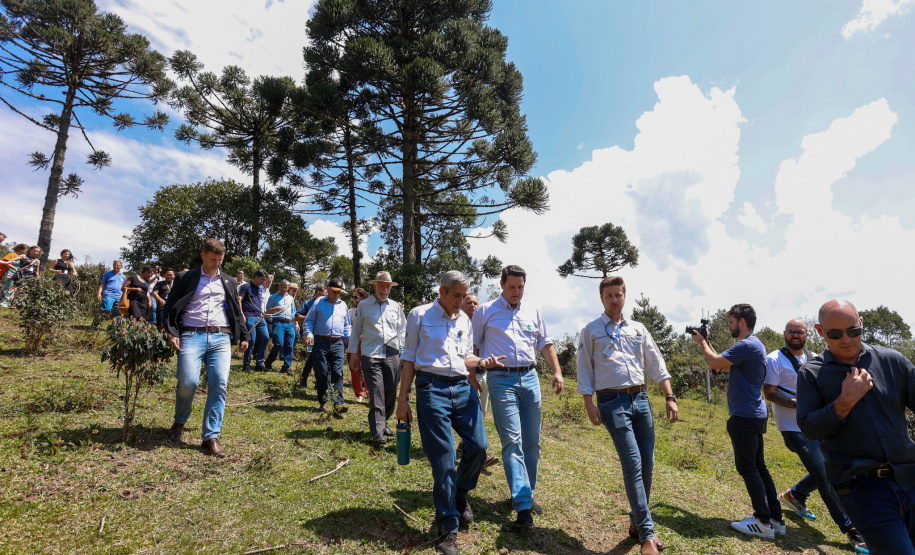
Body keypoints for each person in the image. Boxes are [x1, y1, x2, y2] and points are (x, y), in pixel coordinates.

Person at [396, 271, 506, 555]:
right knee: (444, 460)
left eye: (464, 295)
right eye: (456, 295)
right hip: (431, 387)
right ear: (442, 292)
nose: (461, 301)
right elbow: (409, 357)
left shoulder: (465, 320)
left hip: (462, 386)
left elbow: (465, 356)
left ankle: (459, 493)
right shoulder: (419, 315)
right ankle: (447, 526)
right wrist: (403, 399)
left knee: (479, 448)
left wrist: (482, 361)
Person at [797, 299, 915, 554]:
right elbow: (809, 429)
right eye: (835, 334)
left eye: (854, 331)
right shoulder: (811, 374)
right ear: (820, 331)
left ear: (861, 324)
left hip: (910, 475)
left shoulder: (892, 361)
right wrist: (844, 401)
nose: (847, 339)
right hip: (862, 489)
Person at [577, 276, 678, 555]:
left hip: (641, 400)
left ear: (624, 296)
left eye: (618, 294)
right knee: (632, 463)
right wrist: (589, 403)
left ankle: (636, 523)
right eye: (609, 295)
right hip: (611, 402)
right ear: (601, 298)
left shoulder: (638, 328)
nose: (614, 299)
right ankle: (647, 535)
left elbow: (656, 363)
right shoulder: (591, 330)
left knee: (647, 463)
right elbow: (584, 369)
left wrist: (669, 396)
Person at [472, 265, 565, 528]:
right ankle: (523, 504)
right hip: (501, 379)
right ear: (501, 284)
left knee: (532, 443)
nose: (516, 292)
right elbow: (474, 344)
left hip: (531, 378)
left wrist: (557, 372)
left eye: (521, 287)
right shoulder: (485, 311)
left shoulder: (533, 312)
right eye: (511, 286)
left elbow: (545, 344)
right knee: (512, 440)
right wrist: (473, 374)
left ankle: (524, 492)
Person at [764, 319, 868, 553]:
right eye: (791, 331)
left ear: (807, 334)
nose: (795, 335)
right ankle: (852, 530)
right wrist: (799, 404)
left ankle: (795, 494)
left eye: (799, 332)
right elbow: (770, 392)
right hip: (793, 427)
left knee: (828, 467)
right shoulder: (774, 359)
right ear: (784, 333)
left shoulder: (812, 357)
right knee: (825, 478)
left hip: (819, 424)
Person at [692, 303, 784, 539]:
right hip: (754, 413)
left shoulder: (747, 345)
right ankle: (775, 519)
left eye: (731, 322)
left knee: (748, 467)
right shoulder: (753, 345)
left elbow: (713, 363)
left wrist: (702, 342)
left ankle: (763, 522)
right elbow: (721, 364)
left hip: (745, 416)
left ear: (742, 321)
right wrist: (707, 342)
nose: (730, 326)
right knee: (758, 467)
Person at [162, 238, 249, 457]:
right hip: (192, 334)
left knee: (219, 383)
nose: (216, 264)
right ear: (203, 255)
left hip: (221, 337)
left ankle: (210, 437)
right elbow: (170, 306)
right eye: (212, 260)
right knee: (188, 382)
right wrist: (171, 332)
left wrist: (245, 335)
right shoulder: (186, 277)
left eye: (220, 260)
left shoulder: (229, 281)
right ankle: (180, 421)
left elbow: (237, 312)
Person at [348, 272, 406, 447]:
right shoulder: (364, 306)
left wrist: (404, 351)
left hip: (392, 353)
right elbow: (356, 331)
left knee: (390, 392)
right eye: (382, 286)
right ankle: (377, 432)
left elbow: (402, 330)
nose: (385, 289)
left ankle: (384, 423)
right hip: (370, 353)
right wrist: (352, 355)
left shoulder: (395, 306)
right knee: (376, 392)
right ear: (375, 286)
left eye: (388, 286)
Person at [303, 278, 351, 413]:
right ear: (328, 290)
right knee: (322, 373)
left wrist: (350, 339)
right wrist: (309, 334)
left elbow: (347, 325)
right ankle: (323, 402)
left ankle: (338, 404)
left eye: (339, 293)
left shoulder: (343, 305)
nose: (337, 295)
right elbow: (309, 320)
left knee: (337, 373)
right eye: (334, 292)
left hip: (338, 343)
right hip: (320, 342)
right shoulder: (318, 302)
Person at [238, 269, 270, 372]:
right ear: (256, 277)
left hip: (259, 317)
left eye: (265, 280)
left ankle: (259, 364)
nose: (263, 282)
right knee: (251, 340)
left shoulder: (261, 289)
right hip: (249, 316)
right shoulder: (246, 286)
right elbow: (239, 300)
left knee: (265, 337)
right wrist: (242, 314)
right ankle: (246, 365)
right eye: (262, 279)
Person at [295, 283, 326, 388]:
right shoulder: (308, 303)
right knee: (311, 356)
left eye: (323, 294)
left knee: (319, 359)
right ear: (315, 294)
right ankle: (304, 378)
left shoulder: (328, 305)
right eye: (319, 294)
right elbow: (297, 317)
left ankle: (318, 382)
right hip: (309, 335)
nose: (321, 297)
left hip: (323, 335)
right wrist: (310, 318)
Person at [265, 280, 297, 375]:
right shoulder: (273, 297)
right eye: (282, 287)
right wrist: (275, 309)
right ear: (279, 287)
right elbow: (267, 311)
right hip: (278, 322)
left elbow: (293, 312)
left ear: (288, 288)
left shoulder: (291, 298)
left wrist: (296, 323)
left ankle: (286, 367)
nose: (284, 289)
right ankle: (269, 361)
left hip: (289, 323)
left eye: (286, 287)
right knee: (278, 343)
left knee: (289, 345)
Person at [347, 287, 369, 403]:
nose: (354, 300)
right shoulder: (351, 312)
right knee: (354, 368)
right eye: (353, 297)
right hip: (354, 340)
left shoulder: (369, 310)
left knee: (369, 367)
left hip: (367, 341)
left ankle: (370, 393)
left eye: (356, 297)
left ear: (363, 297)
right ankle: (359, 393)